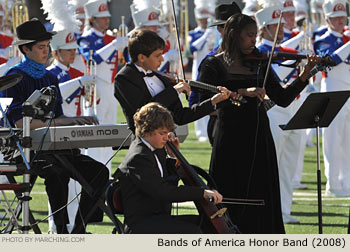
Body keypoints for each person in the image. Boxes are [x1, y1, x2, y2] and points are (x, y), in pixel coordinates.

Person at [198, 13, 321, 233]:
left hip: (259, 135)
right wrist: (241, 92)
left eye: (256, 35)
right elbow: (203, 102)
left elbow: (282, 99)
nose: (254, 40)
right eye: (249, 35)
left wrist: (303, 77)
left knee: (261, 192)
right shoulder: (212, 64)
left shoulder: (260, 62)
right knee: (229, 190)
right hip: (230, 138)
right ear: (234, 35)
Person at [0, 19, 109, 234]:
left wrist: (76, 121)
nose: (46, 51)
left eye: (47, 46)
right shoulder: (13, 78)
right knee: (57, 172)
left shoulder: (50, 77)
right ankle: (59, 230)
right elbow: (19, 123)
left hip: (54, 147)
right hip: (23, 149)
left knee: (99, 173)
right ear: (25, 49)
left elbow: (57, 117)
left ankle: (77, 229)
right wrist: (63, 121)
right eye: (40, 47)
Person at [115, 102, 223, 233]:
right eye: (162, 133)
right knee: (192, 231)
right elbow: (163, 191)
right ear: (147, 131)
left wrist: (172, 157)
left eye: (167, 133)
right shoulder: (138, 157)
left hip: (159, 217)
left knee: (205, 224)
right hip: (142, 224)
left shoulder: (156, 149)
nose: (167, 137)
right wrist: (201, 193)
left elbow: (169, 180)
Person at [114, 29, 232, 133]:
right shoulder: (124, 78)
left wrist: (212, 101)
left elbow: (181, 117)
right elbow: (144, 113)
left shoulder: (160, 78)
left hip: (169, 144)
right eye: (157, 55)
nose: (162, 59)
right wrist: (174, 91)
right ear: (141, 57)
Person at [78, 0, 128, 171]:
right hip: (95, 86)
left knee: (109, 130)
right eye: (101, 17)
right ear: (92, 19)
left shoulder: (110, 37)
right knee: (94, 130)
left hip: (110, 86)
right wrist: (114, 45)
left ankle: (106, 170)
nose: (106, 20)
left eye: (106, 17)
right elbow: (91, 60)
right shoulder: (86, 38)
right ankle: (92, 171)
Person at [314, 0, 350, 197]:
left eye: (342, 17)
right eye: (335, 18)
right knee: (333, 140)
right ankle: (333, 183)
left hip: (349, 93)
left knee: (348, 140)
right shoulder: (323, 38)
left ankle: (347, 181)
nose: (339, 21)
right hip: (333, 92)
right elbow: (331, 60)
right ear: (327, 19)